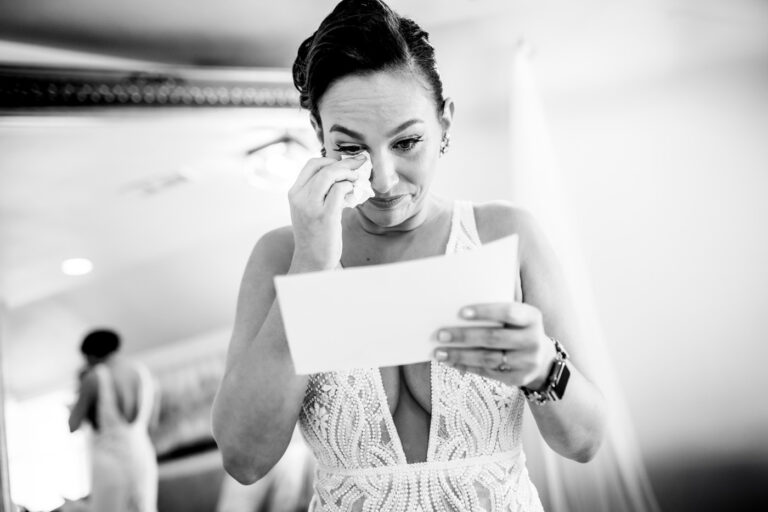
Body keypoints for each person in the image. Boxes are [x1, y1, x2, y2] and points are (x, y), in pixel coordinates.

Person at [211, 0, 608, 510]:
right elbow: (244, 461)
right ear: (318, 138)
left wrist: (542, 367)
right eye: (349, 148)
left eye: (408, 141)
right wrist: (311, 265)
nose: (383, 180)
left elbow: (585, 442)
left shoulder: (505, 235)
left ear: (445, 124)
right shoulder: (279, 255)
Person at [68, 329, 158, 512]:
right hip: (142, 456)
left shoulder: (93, 378)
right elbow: (152, 424)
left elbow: (73, 424)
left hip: (109, 463)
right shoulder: (143, 372)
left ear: (91, 355)